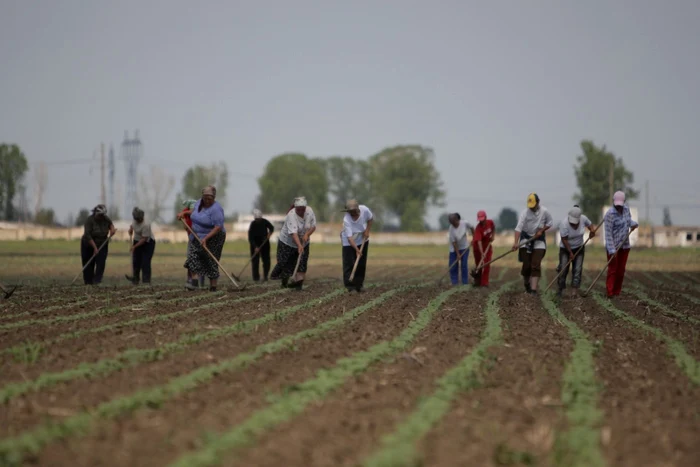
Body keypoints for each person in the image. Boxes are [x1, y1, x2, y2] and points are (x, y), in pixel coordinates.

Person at [178, 186, 226, 291]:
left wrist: (206, 238)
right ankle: (194, 281)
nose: (207, 201)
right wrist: (184, 213)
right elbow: (195, 213)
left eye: (210, 199)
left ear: (214, 198)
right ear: (202, 197)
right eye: (205, 198)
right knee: (193, 255)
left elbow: (218, 227)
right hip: (198, 234)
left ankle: (213, 287)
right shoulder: (199, 203)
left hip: (215, 236)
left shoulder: (216, 209)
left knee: (210, 259)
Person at [272, 196, 317, 290]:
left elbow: (313, 226)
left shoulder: (309, 211)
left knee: (302, 262)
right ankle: (284, 282)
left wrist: (307, 234)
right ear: (295, 208)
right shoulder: (291, 215)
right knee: (286, 263)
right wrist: (299, 245)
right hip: (287, 242)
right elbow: (293, 233)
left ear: (305, 207)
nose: (301, 211)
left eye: (302, 209)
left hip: (304, 241)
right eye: (298, 209)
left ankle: (298, 284)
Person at [512, 193, 553, 295]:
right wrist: (515, 243)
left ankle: (533, 289)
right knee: (526, 266)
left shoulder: (544, 211)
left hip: (539, 241)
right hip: (525, 241)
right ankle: (527, 284)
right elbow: (518, 228)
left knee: (535, 265)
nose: (531, 208)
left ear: (538, 202)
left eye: (534, 205)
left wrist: (542, 230)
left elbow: (550, 223)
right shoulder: (524, 213)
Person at [604, 191, 638, 297]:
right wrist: (612, 250)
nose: (619, 207)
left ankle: (616, 292)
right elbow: (608, 234)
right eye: (617, 204)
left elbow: (628, 222)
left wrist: (634, 224)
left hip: (624, 246)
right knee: (613, 269)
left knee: (621, 270)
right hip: (613, 246)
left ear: (624, 202)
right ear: (614, 202)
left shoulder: (627, 210)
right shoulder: (609, 214)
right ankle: (610, 292)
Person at [556, 206, 597, 297]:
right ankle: (560, 289)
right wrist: (570, 252)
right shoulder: (564, 224)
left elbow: (591, 226)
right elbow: (564, 240)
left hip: (579, 248)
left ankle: (574, 292)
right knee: (563, 269)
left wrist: (592, 232)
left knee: (577, 269)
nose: (573, 224)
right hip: (565, 249)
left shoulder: (584, 219)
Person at [340, 199, 373, 292]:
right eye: (350, 212)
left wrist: (367, 230)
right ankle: (350, 286)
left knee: (361, 263)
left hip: (362, 239)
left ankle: (359, 285)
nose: (352, 214)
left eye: (354, 211)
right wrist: (357, 250)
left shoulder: (365, 210)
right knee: (349, 262)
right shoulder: (346, 219)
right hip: (348, 241)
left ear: (357, 209)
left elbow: (370, 219)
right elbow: (350, 239)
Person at [80, 204, 116, 285]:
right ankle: (88, 282)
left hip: (102, 243)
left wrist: (112, 230)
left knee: (101, 262)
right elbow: (87, 236)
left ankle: (97, 281)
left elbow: (111, 224)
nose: (101, 217)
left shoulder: (105, 219)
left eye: (103, 215)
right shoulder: (89, 221)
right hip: (88, 244)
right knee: (88, 263)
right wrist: (95, 248)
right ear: (96, 213)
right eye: (100, 215)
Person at [125, 207, 156, 285]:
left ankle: (146, 280)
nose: (139, 220)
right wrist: (130, 230)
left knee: (145, 261)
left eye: (140, 219)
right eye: (137, 219)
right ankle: (135, 279)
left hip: (148, 243)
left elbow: (144, 239)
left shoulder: (146, 224)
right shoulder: (134, 221)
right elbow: (132, 226)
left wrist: (134, 247)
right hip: (137, 240)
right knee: (136, 261)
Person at [179, 199, 202, 287]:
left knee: (199, 259)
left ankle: (198, 281)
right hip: (191, 238)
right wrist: (183, 218)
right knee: (190, 258)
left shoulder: (199, 213)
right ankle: (191, 280)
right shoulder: (186, 213)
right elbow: (186, 228)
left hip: (201, 238)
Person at [248, 209, 275, 282]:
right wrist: (255, 247)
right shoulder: (253, 224)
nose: (258, 220)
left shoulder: (265, 221)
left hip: (265, 243)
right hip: (255, 244)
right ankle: (256, 278)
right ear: (255, 218)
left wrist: (269, 234)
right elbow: (250, 238)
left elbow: (272, 228)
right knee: (255, 261)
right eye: (257, 219)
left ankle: (265, 276)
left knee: (266, 261)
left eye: (259, 219)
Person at [447, 213, 474, 286]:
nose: (452, 223)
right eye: (450, 222)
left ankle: (464, 282)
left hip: (464, 247)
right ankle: (454, 282)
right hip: (454, 249)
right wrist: (458, 254)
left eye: (453, 221)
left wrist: (474, 238)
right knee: (453, 265)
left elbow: (472, 227)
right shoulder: (451, 228)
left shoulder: (465, 223)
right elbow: (454, 242)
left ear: (457, 220)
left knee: (464, 265)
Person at [472, 210, 495, 287]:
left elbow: (494, 227)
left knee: (487, 264)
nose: (481, 222)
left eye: (483, 219)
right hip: (478, 248)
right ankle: (477, 281)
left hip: (487, 247)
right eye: (480, 220)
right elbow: (478, 242)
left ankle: (484, 283)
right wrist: (482, 253)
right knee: (479, 265)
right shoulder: (478, 228)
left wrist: (493, 236)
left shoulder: (490, 222)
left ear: (486, 217)